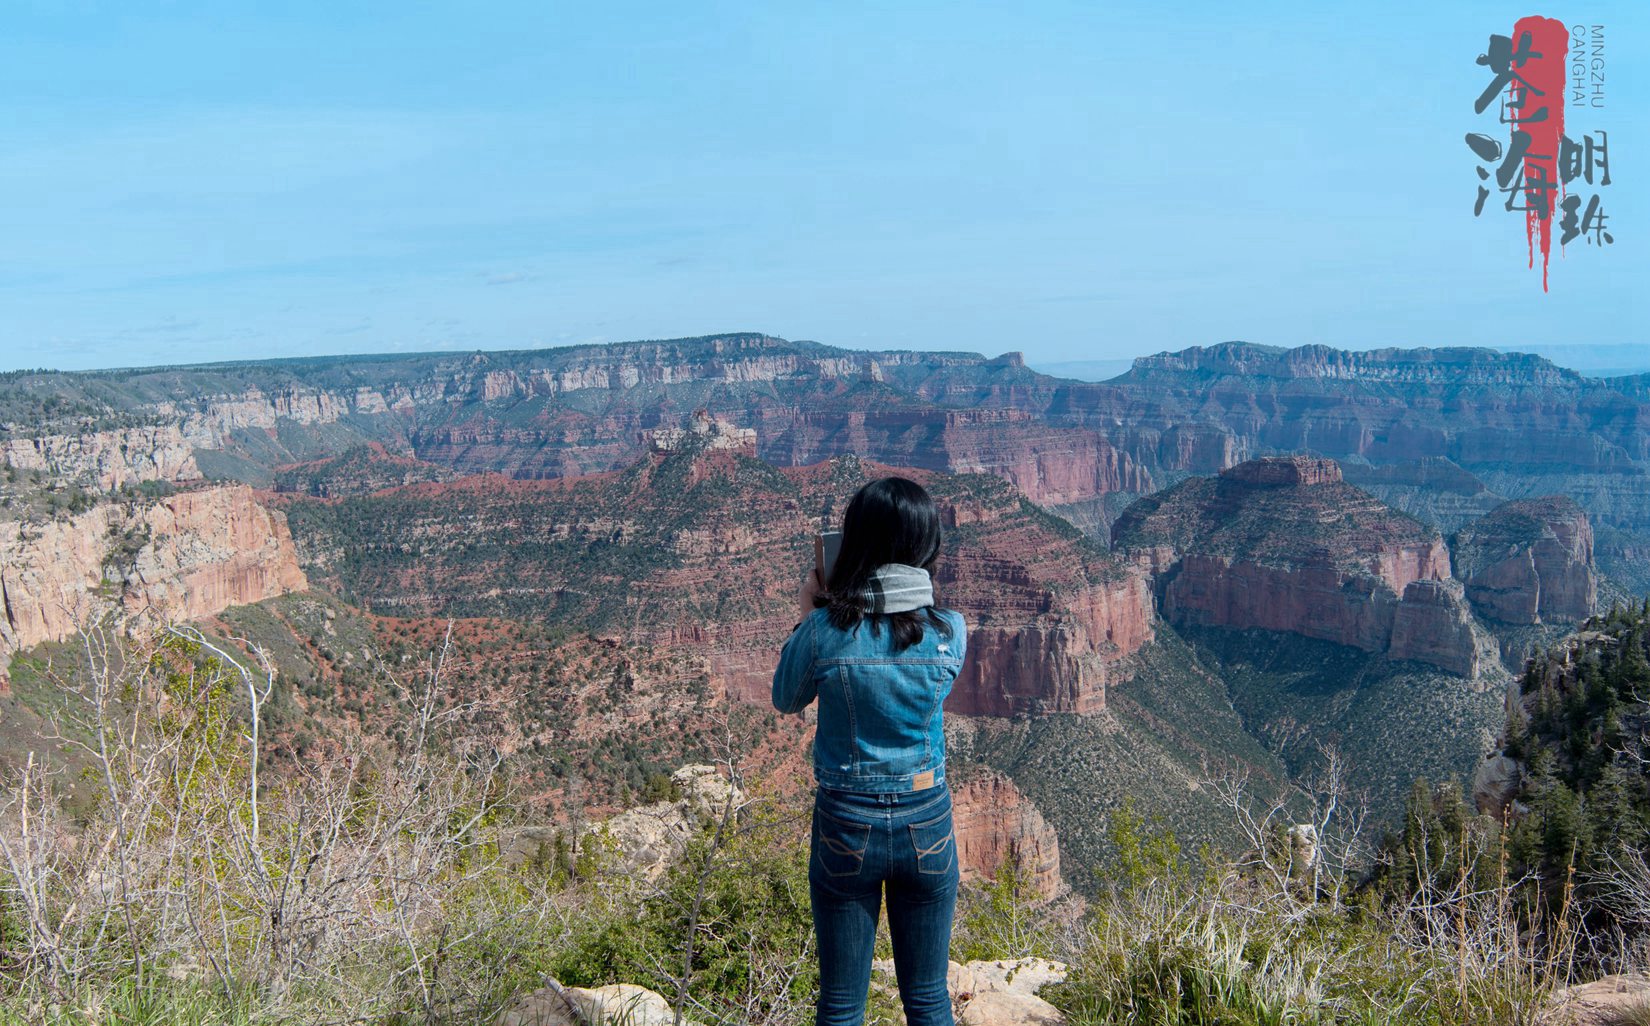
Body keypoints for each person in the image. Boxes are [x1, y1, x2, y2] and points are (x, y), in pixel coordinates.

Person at [771, 475, 968, 1026]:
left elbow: (786, 699)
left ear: (855, 543)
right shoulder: (952, 631)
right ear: (925, 547)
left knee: (840, 1004)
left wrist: (813, 610)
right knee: (928, 999)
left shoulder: (824, 634)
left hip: (845, 827)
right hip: (927, 823)